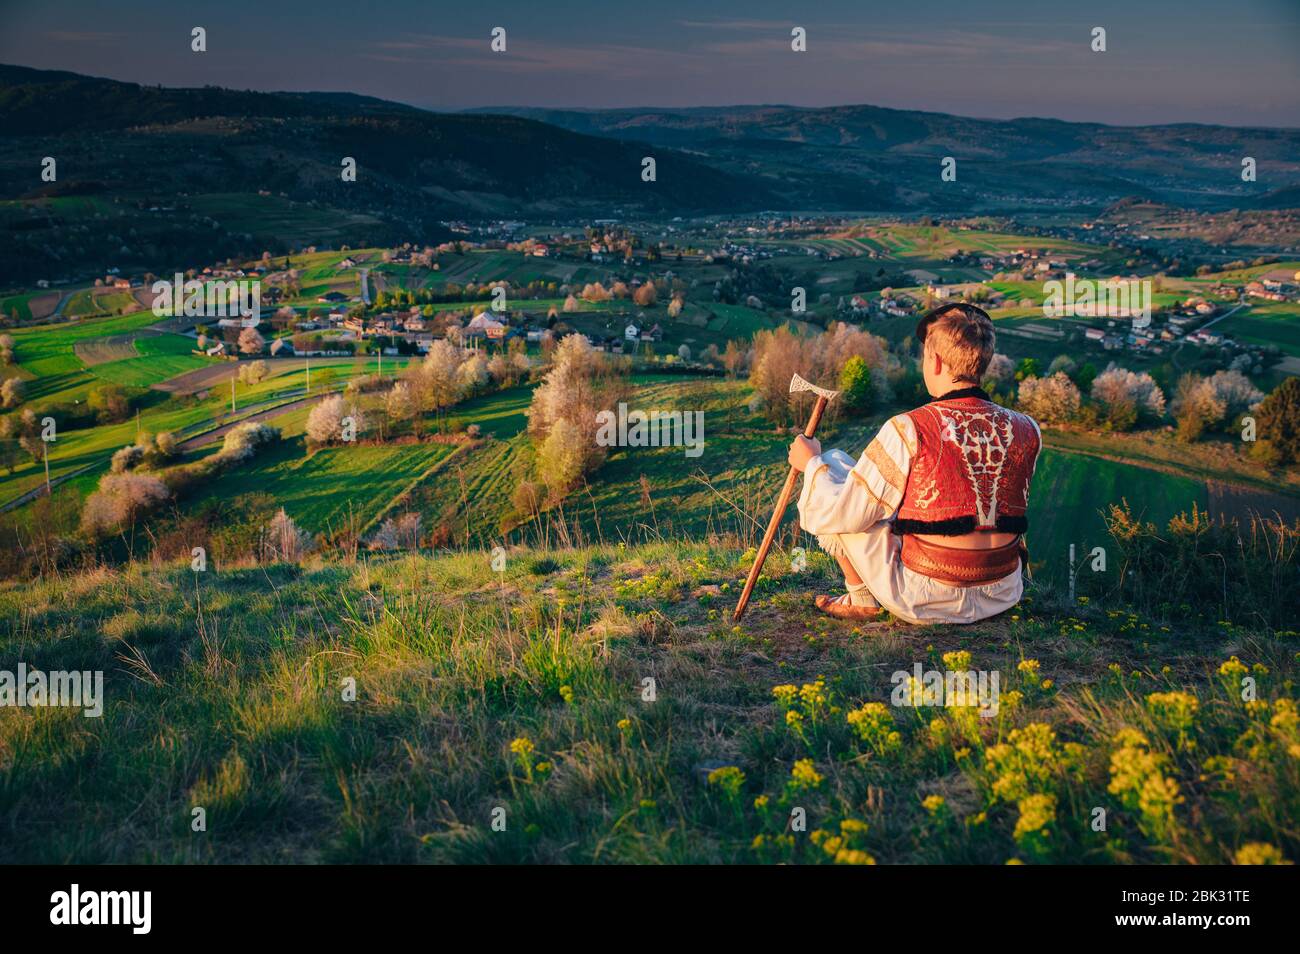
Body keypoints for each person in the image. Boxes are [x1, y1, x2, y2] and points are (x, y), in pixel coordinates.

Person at [788, 303, 1041, 623]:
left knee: (834, 478)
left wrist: (810, 463)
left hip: (926, 596)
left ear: (934, 361)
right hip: (1002, 591)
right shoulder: (1027, 429)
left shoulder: (909, 428)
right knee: (845, 470)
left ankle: (861, 598)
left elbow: (843, 512)